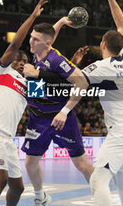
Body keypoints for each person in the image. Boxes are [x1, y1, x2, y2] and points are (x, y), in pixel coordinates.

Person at [51, 0, 123, 206]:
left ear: (103, 45)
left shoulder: (99, 67)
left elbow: (78, 85)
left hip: (122, 129)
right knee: (121, 176)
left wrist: (63, 109)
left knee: (98, 179)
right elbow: (121, 25)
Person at [0, 0, 48, 206]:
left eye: (25, 61)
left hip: (8, 139)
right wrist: (33, 17)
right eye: (19, 60)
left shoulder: (29, 85)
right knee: (0, 179)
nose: (21, 63)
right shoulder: (3, 70)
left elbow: (46, 59)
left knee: (17, 187)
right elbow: (16, 43)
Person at [21, 18, 94, 204]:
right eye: (31, 37)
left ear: (47, 43)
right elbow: (48, 37)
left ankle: (102, 198)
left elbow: (82, 83)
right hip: (37, 119)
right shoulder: (37, 55)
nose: (31, 41)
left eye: (35, 39)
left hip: (60, 119)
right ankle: (40, 198)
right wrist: (61, 22)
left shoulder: (55, 59)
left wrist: (64, 111)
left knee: (81, 164)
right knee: (30, 164)